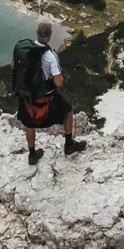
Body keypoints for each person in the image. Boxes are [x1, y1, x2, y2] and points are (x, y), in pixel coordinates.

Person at [18, 21, 87, 165]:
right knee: (68, 111)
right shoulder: (50, 56)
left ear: (36, 33)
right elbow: (58, 83)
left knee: (29, 123)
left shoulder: (24, 48)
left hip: (28, 95)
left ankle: (32, 154)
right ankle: (68, 144)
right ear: (49, 36)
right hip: (45, 97)